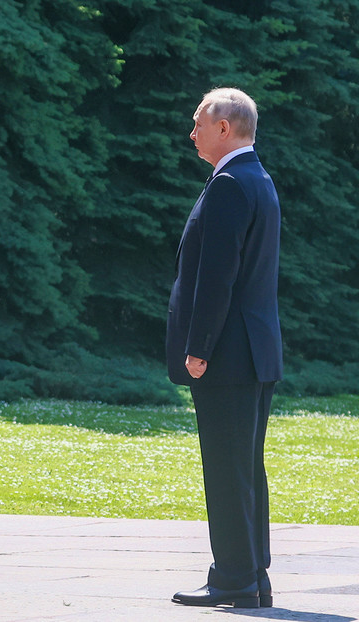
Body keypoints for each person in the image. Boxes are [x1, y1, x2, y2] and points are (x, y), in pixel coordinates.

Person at [167, 87, 282, 609]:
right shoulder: (258, 179)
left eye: (198, 123)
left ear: (224, 128)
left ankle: (234, 578)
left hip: (228, 354)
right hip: (254, 351)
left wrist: (200, 347)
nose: (191, 132)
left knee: (226, 468)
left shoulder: (230, 183)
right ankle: (251, 575)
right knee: (244, 467)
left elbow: (218, 277)